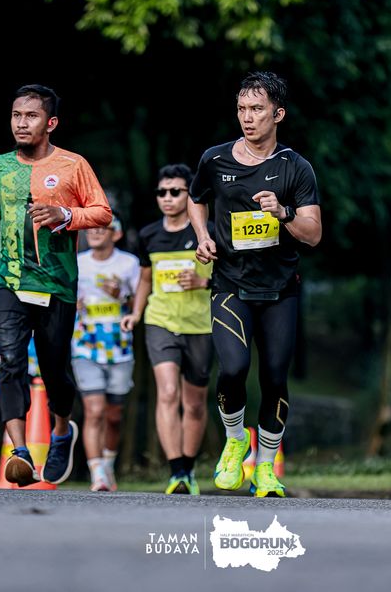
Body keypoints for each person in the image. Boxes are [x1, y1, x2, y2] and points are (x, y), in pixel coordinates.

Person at [187, 71, 322, 498]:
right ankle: (234, 440)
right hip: (230, 284)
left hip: (280, 289)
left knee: (275, 378)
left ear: (277, 114)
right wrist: (203, 236)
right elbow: (196, 198)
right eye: (242, 109)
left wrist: (283, 213)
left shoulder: (296, 167)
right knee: (232, 368)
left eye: (257, 109)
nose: (248, 117)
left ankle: (265, 467)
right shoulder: (215, 160)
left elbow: (313, 233)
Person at [0, 84, 112, 487]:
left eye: (31, 116)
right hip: (10, 280)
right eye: (16, 115)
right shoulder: (0, 165)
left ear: (50, 123)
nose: (21, 123)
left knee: (55, 372)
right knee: (11, 361)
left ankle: (62, 429)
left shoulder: (73, 165)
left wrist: (64, 214)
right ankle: (19, 452)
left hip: (57, 284)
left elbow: (102, 212)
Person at [122, 164, 214, 495]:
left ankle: (188, 468)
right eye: (162, 192)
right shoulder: (148, 235)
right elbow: (145, 279)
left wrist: (203, 282)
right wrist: (135, 313)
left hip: (201, 325)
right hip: (160, 321)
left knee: (195, 403)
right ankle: (176, 472)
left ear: (190, 195)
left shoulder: (208, 232)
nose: (167, 198)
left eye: (176, 191)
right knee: (168, 392)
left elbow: (229, 275)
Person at [71, 214, 140, 491]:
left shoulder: (129, 263)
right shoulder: (77, 262)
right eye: (91, 228)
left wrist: (121, 295)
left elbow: (140, 304)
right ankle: (96, 472)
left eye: (103, 228)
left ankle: (108, 465)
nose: (96, 232)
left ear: (117, 234)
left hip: (120, 347)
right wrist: (72, 305)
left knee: (114, 415)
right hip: (85, 345)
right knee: (94, 410)